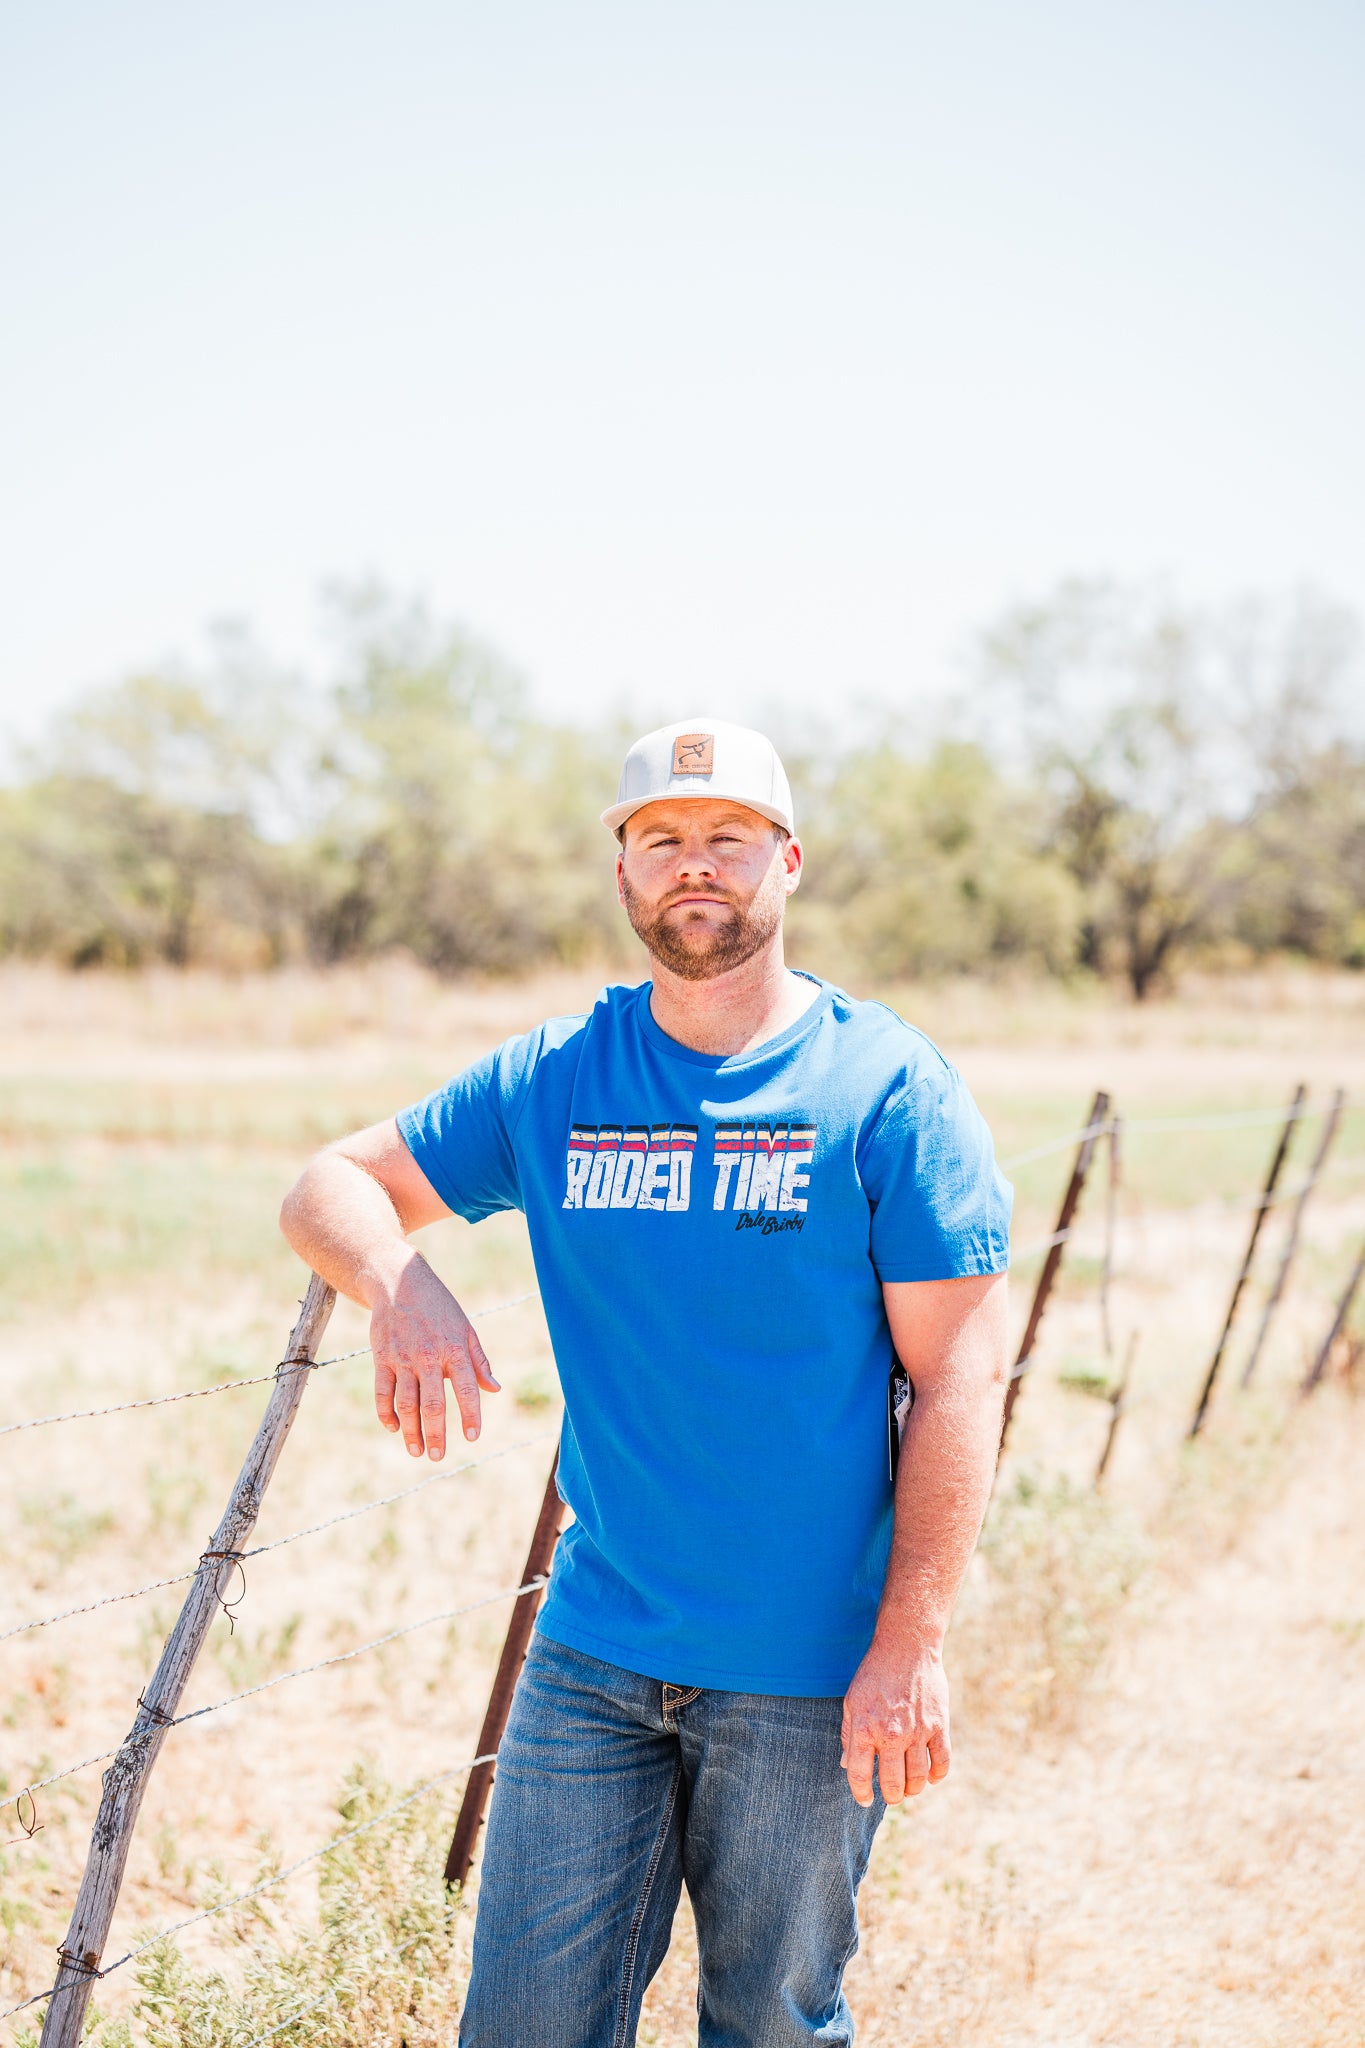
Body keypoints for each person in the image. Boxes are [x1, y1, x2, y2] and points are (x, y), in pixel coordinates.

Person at [279, 717, 1012, 2048]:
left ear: (787, 863)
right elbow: (328, 1183)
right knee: (524, 2027)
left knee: (770, 2027)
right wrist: (401, 1282)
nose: (695, 865)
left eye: (729, 837)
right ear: (623, 874)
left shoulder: (887, 1088)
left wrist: (909, 1644)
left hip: (808, 1670)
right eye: (661, 840)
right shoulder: (556, 1077)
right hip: (594, 1650)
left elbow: (959, 1382)